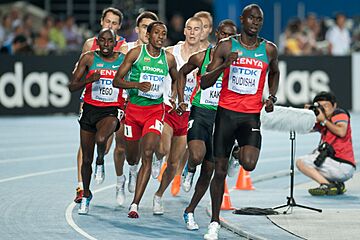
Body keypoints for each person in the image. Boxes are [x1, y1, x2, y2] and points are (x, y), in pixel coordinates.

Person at [200, 4, 280, 239]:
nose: (255, 23)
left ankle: (238, 152)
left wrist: (272, 95)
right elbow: (204, 82)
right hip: (226, 114)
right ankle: (214, 222)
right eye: (252, 18)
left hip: (250, 116)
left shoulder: (269, 49)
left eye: (259, 20)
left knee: (250, 163)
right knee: (219, 170)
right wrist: (225, 65)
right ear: (242, 20)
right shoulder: (227, 46)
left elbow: (274, 72)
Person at [112, 21, 181, 218]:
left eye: (164, 33)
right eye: (157, 33)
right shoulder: (136, 54)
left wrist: (175, 97)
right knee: (132, 156)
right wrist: (136, 85)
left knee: (148, 152)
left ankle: (135, 204)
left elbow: (177, 78)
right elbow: (117, 81)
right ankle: (132, 170)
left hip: (155, 111)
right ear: (148, 35)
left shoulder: (168, 59)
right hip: (133, 112)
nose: (160, 37)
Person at [178, 19, 237, 230]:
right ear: (218, 34)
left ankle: (189, 211)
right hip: (200, 112)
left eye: (232, 36)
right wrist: (181, 99)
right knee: (196, 155)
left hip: (221, 118)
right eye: (225, 34)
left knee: (209, 172)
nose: (228, 39)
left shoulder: (237, 62)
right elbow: (181, 73)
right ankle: (189, 166)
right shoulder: (202, 57)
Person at [73, 7, 131, 206]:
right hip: (90, 99)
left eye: (115, 23)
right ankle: (82, 187)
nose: (110, 26)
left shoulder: (124, 48)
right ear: (101, 22)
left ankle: (116, 174)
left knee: (113, 144)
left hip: (117, 102)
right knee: (85, 145)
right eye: (108, 22)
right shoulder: (90, 44)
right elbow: (79, 69)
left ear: (120, 27)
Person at [151, 17, 203, 209]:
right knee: (163, 149)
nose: (192, 32)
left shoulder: (205, 57)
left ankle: (158, 196)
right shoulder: (171, 52)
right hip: (168, 107)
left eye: (196, 29)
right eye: (189, 28)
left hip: (188, 113)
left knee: (174, 163)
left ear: (201, 33)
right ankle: (157, 158)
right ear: (184, 31)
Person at [296, 91, 356, 196]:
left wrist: (323, 120)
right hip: (338, 166)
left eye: (326, 105)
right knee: (313, 156)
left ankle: (326, 185)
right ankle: (336, 184)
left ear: (334, 105)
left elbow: (341, 132)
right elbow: (303, 130)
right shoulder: (323, 121)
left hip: (341, 164)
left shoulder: (339, 113)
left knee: (301, 162)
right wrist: (306, 115)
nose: (324, 109)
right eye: (320, 106)